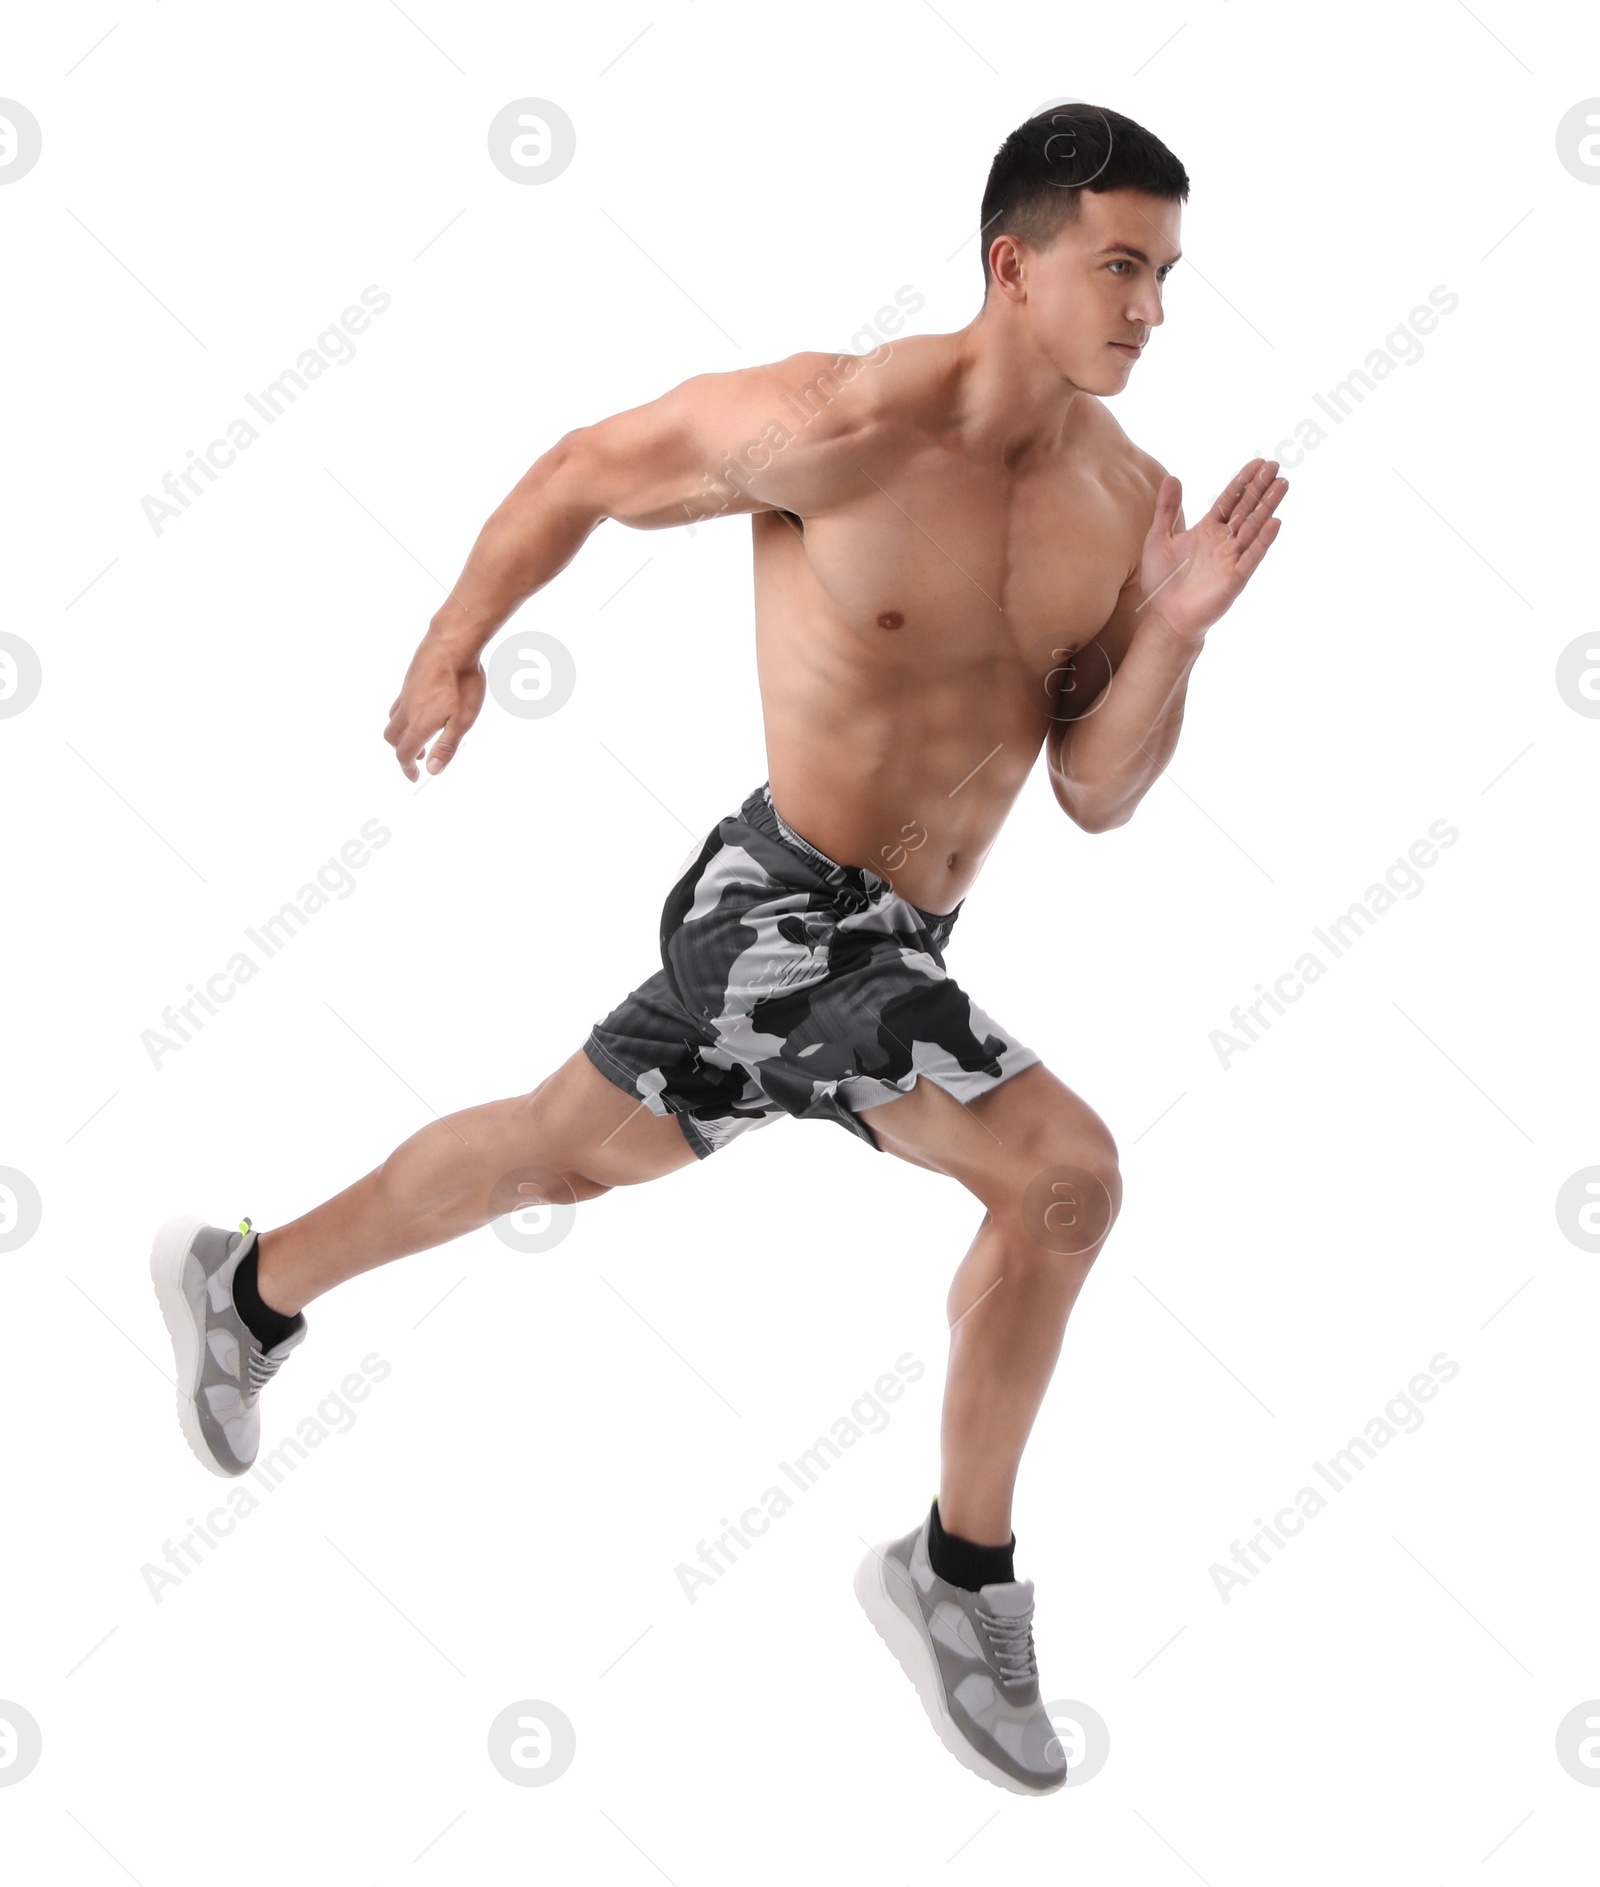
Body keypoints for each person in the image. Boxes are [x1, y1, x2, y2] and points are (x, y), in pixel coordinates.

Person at [150, 102, 1285, 1795]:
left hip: (901, 939)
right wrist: (456, 643)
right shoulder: (844, 424)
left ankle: (242, 1287)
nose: (1149, 310)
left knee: (557, 1157)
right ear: (1012, 263)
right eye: (1119, 266)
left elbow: (1098, 788)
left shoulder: (1128, 502)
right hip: (775, 911)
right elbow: (587, 471)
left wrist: (1176, 636)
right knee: (1066, 1175)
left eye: (1167, 275)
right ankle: (956, 1577)